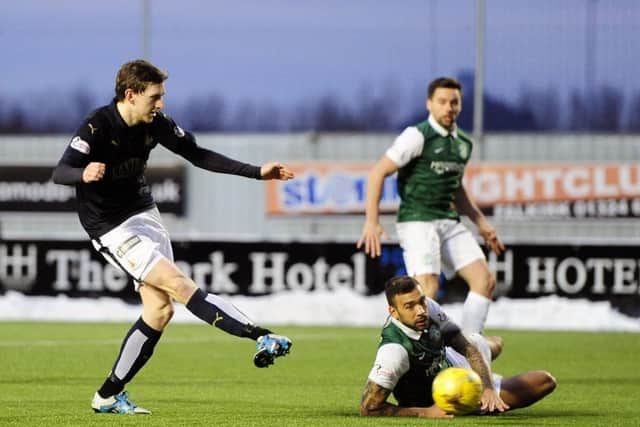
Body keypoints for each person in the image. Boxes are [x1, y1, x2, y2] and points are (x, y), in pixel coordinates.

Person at [52, 59, 294, 415]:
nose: (161, 104)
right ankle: (259, 334)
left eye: (162, 96)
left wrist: (258, 172)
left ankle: (106, 396)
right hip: (110, 227)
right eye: (155, 97)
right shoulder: (97, 125)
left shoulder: (156, 124)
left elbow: (198, 155)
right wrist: (82, 172)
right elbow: (60, 171)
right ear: (131, 95)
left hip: (144, 215)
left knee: (160, 310)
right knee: (180, 286)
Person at [357, 76, 504, 334]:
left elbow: (456, 187)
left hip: (448, 221)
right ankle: (410, 355)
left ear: (460, 105)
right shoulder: (416, 136)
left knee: (484, 281)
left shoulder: (463, 143)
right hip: (417, 220)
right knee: (427, 290)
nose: (449, 107)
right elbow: (378, 172)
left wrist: (481, 222)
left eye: (454, 102)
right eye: (443, 101)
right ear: (430, 104)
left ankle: (468, 351)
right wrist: (371, 221)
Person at [359, 276, 556, 418]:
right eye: (410, 306)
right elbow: (368, 408)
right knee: (545, 381)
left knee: (484, 342)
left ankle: (486, 370)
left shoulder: (430, 308)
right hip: (447, 394)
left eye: (421, 302)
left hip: (449, 362)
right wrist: (426, 412)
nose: (420, 311)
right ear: (393, 312)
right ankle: (480, 386)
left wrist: (487, 388)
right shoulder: (394, 352)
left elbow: (467, 348)